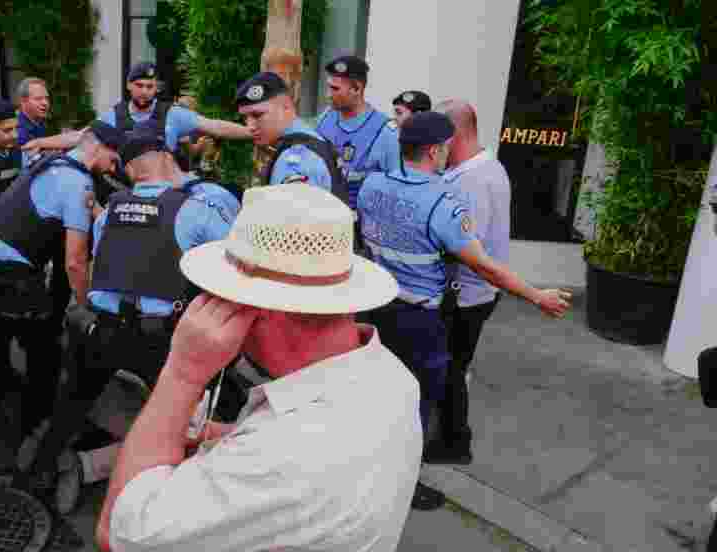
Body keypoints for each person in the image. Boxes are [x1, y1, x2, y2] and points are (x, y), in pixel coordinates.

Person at [95, 183, 419, 552]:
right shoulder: (393, 376)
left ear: (257, 309)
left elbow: (120, 530)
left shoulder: (284, 458)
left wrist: (182, 374)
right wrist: (229, 437)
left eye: (221, 295)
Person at [357, 111, 571, 509]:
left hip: (379, 308)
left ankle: (368, 470)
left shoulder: (372, 184)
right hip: (420, 320)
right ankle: (400, 488)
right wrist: (537, 296)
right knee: (415, 405)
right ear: (436, 150)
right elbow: (485, 266)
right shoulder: (442, 201)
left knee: (378, 395)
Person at [25, 121, 240, 514]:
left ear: (128, 170)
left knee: (71, 403)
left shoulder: (111, 212)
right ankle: (172, 492)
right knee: (182, 415)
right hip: (159, 340)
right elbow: (233, 264)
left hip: (100, 330)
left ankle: (41, 474)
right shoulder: (195, 207)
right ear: (163, 156)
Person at [0, 121, 125, 448]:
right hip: (10, 276)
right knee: (47, 351)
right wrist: (86, 303)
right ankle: (39, 429)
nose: (111, 169)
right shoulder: (77, 182)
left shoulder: (52, 162)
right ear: (98, 148)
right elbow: (74, 259)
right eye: (113, 161)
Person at [424, 99, 514, 464]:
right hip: (473, 292)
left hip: (464, 295)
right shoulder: (486, 168)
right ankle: (450, 440)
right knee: (452, 368)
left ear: (452, 136)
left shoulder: (473, 179)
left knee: (449, 370)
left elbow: (461, 245)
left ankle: (452, 444)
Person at [23, 61, 251, 155]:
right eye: (139, 85)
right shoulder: (114, 115)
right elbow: (79, 137)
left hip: (166, 194)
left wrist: (250, 132)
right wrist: (41, 142)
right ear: (129, 86)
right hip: (125, 192)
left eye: (150, 86)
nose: (144, 91)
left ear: (156, 88)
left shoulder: (172, 113)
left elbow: (214, 126)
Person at [235, 72, 348, 204]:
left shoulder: (295, 161)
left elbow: (292, 222)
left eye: (257, 115)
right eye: (245, 118)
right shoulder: (312, 140)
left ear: (286, 107)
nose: (250, 126)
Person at [317, 55, 400, 212]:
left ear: (357, 89)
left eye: (335, 89)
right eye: (328, 87)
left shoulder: (385, 132)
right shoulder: (325, 118)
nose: (328, 94)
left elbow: (395, 187)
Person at [15, 76, 50, 166]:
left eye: (47, 98)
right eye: (38, 99)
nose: (45, 103)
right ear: (23, 101)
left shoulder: (40, 122)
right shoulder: (17, 128)